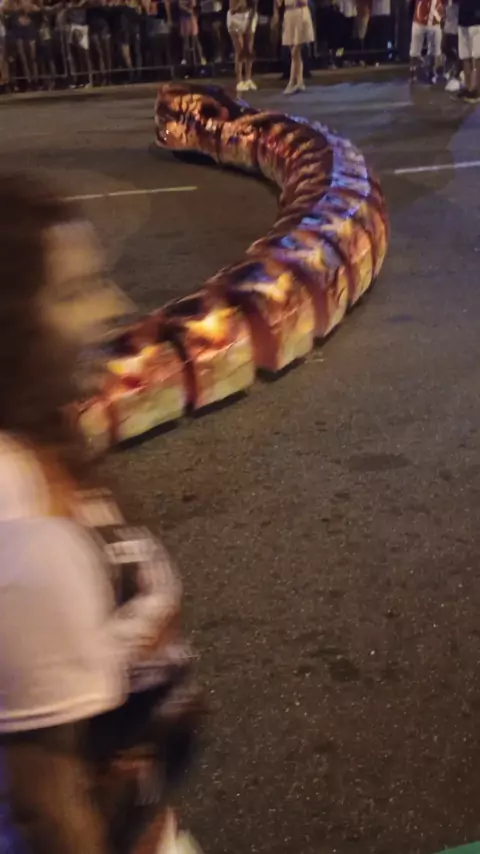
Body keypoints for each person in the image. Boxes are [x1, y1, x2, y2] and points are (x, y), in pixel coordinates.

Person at [0, 173, 202, 854]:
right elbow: (45, 805)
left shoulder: (37, 445)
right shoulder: (22, 520)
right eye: (75, 292)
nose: (114, 308)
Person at [273, 0, 314, 92]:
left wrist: (295, 2)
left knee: (295, 51)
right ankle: (300, 81)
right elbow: (279, 3)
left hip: (300, 14)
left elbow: (304, 2)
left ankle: (292, 82)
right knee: (295, 54)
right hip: (289, 15)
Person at [409, 0, 445, 83]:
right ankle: (412, 75)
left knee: (434, 51)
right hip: (419, 21)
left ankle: (431, 73)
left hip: (435, 22)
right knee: (414, 51)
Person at [227, 0, 257, 91]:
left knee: (249, 48)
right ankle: (239, 81)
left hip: (249, 16)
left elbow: (254, 5)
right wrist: (240, 5)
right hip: (236, 17)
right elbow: (233, 8)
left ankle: (248, 79)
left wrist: (249, 24)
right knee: (239, 50)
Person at [456, 0, 480, 99]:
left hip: (477, 21)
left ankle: (476, 89)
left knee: (477, 57)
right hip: (463, 21)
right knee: (465, 56)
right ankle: (467, 86)